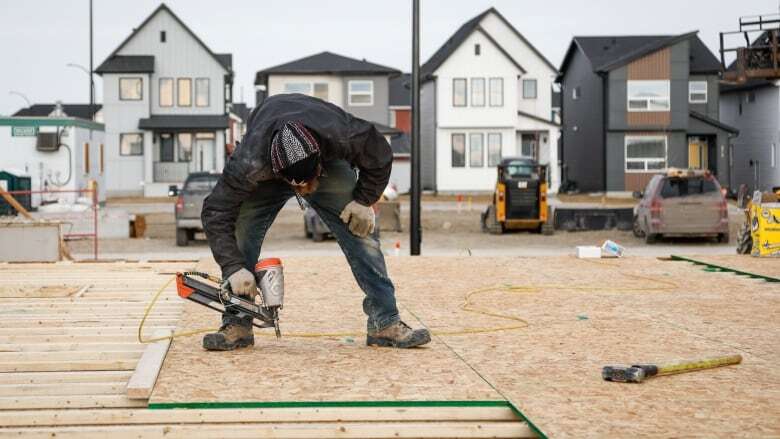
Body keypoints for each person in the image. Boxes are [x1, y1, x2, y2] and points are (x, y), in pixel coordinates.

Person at [200, 93, 431, 351]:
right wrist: (233, 266)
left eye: (307, 181)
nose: (303, 189)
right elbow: (215, 210)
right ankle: (237, 323)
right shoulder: (248, 163)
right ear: (277, 172)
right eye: (296, 184)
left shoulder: (340, 134)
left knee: (360, 231)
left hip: (327, 159)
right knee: (241, 230)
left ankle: (385, 322)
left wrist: (364, 200)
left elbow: (379, 153)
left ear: (319, 160)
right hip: (266, 166)